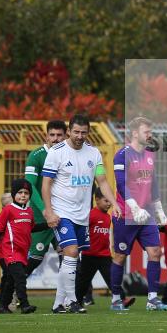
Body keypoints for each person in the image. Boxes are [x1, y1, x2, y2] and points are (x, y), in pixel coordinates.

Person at [42, 114, 121, 314]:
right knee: (71, 252)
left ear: (88, 132)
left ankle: (58, 304)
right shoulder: (56, 152)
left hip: (82, 214)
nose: (79, 135)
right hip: (62, 212)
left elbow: (102, 181)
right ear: (68, 131)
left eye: (83, 132)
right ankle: (71, 300)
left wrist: (115, 203)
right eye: (76, 131)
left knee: (72, 258)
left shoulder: (94, 153)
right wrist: (49, 211)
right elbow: (46, 184)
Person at [110, 116, 167, 312]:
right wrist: (134, 207)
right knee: (119, 256)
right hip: (126, 215)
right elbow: (120, 184)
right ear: (135, 133)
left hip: (147, 214)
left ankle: (152, 299)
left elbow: (154, 184)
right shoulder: (121, 155)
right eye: (147, 131)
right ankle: (116, 299)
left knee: (155, 252)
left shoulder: (150, 154)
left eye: (150, 131)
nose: (150, 135)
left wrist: (159, 210)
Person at [0, 179, 47, 314]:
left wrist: (48, 224)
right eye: (20, 192)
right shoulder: (8, 210)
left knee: (10, 279)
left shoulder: (29, 211)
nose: (23, 195)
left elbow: (31, 228)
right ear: (14, 194)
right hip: (11, 250)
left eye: (26, 193)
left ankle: (2, 306)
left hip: (22, 251)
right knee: (20, 277)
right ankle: (24, 304)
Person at [24, 120, 67, 277]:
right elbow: (29, 184)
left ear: (66, 135)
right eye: (52, 135)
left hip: (64, 213)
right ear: (46, 136)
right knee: (35, 257)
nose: (56, 139)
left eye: (59, 135)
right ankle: (14, 291)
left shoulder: (70, 155)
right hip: (40, 215)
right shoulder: (36, 156)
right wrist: (44, 209)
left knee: (69, 256)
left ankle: (71, 298)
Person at [77, 188, 115, 311]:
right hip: (90, 254)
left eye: (110, 201)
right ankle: (77, 301)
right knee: (84, 281)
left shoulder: (108, 217)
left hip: (104, 254)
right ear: (97, 200)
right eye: (106, 200)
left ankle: (121, 299)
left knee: (112, 277)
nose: (109, 203)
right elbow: (83, 231)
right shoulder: (91, 215)